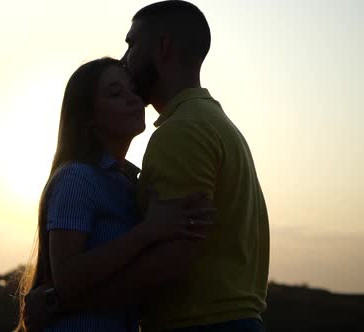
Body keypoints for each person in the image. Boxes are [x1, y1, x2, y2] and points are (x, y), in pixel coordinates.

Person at [24, 1, 270, 332]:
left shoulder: (180, 133)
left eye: (131, 44)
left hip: (200, 323)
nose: (126, 60)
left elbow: (171, 262)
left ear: (163, 47)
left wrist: (59, 301)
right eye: (114, 92)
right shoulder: (212, 122)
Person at [15, 57, 214, 332]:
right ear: (88, 117)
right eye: (116, 93)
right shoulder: (77, 177)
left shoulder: (131, 183)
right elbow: (67, 278)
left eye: (133, 90)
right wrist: (149, 230)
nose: (134, 99)